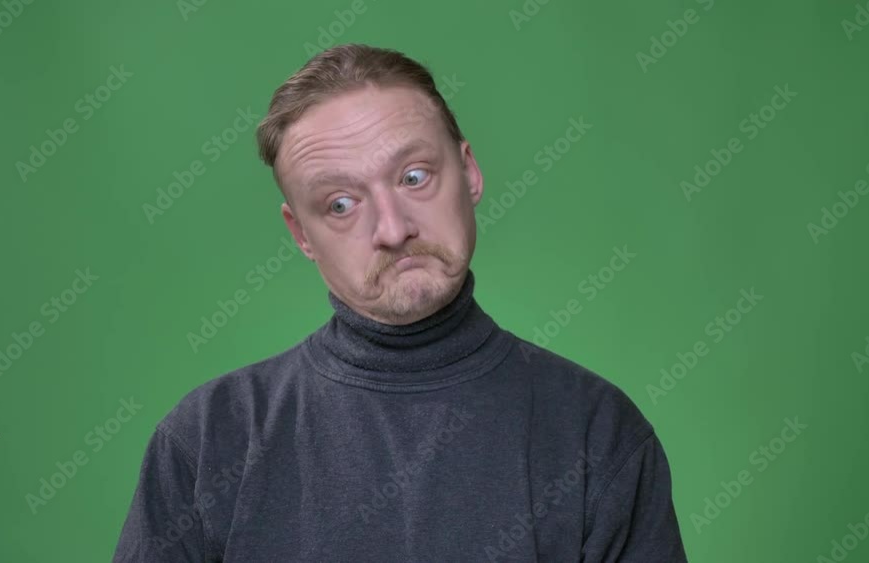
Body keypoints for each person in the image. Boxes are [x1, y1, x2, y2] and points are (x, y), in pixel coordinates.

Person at [112, 43, 688, 562]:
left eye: (414, 176)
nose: (392, 229)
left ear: (469, 172)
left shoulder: (596, 430)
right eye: (341, 204)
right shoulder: (209, 440)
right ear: (301, 234)